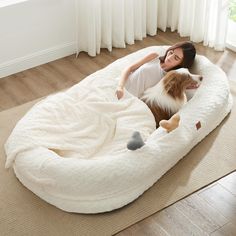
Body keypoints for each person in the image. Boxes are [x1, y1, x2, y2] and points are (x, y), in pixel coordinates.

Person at [116, 41, 197, 100]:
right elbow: (129, 68)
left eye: (176, 58)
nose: (170, 57)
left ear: (181, 63)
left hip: (132, 100)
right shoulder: (154, 57)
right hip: (120, 86)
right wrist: (120, 87)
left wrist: (185, 86)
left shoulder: (170, 78)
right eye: (171, 52)